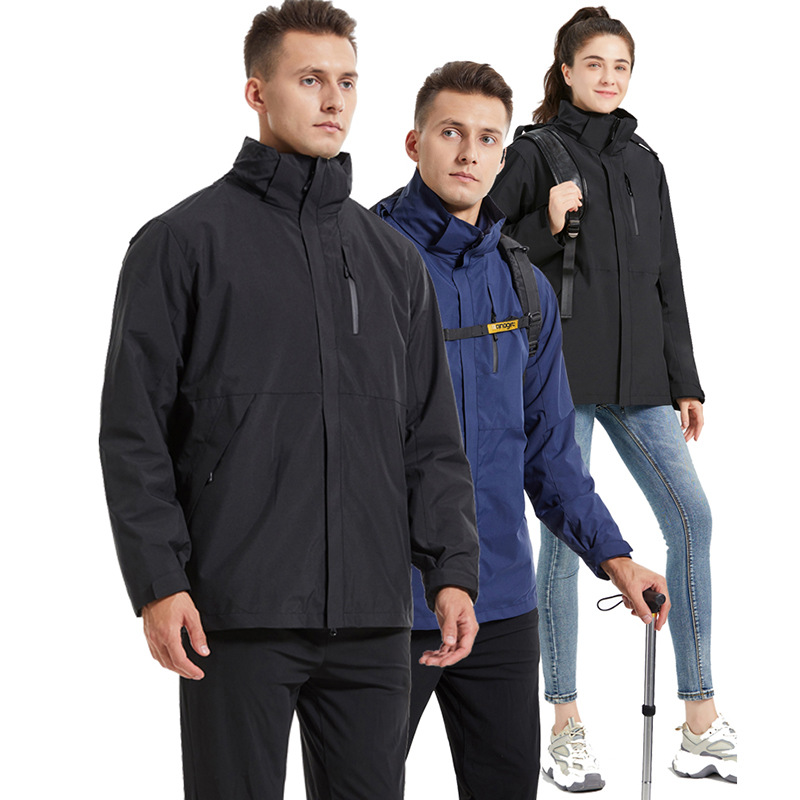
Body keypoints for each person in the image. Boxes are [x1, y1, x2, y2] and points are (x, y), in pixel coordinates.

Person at [98, 3, 481, 798]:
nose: (334, 100)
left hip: (373, 619)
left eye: (347, 82)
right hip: (237, 609)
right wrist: (160, 581)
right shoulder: (181, 243)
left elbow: (430, 438)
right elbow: (134, 432)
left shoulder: (391, 261)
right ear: (257, 92)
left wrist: (452, 571)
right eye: (310, 80)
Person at [374, 61, 670, 800]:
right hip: (386, 605)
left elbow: (550, 452)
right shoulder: (365, 266)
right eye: (450, 132)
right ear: (413, 142)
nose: (468, 153)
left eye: (487, 139)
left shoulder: (522, 284)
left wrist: (615, 558)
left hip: (501, 600)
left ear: (504, 156)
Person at [489, 6, 737, 788]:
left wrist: (684, 378)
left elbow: (668, 274)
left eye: (620, 66)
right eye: (593, 63)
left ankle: (700, 721)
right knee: (565, 540)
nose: (608, 77)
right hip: (558, 375)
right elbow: (481, 243)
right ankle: (564, 724)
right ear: (565, 69)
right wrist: (542, 221)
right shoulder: (534, 153)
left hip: (641, 381)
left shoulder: (644, 161)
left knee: (692, 517)